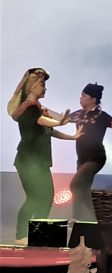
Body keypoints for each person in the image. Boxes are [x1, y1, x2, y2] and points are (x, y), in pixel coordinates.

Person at [7, 68, 83, 245]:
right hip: (28, 160)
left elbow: (48, 130)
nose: (45, 88)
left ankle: (37, 233)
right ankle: (21, 235)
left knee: (47, 197)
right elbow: (42, 121)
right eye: (42, 84)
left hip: (38, 161)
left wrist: (72, 137)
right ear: (32, 86)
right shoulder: (29, 108)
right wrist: (59, 121)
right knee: (34, 197)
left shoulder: (38, 108)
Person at [69, 83, 112, 221]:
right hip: (81, 159)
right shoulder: (78, 114)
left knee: (75, 185)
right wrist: (42, 109)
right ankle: (88, 220)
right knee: (82, 190)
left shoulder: (101, 115)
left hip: (95, 158)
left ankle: (83, 219)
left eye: (83, 95)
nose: (80, 98)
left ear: (93, 99)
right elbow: (61, 118)